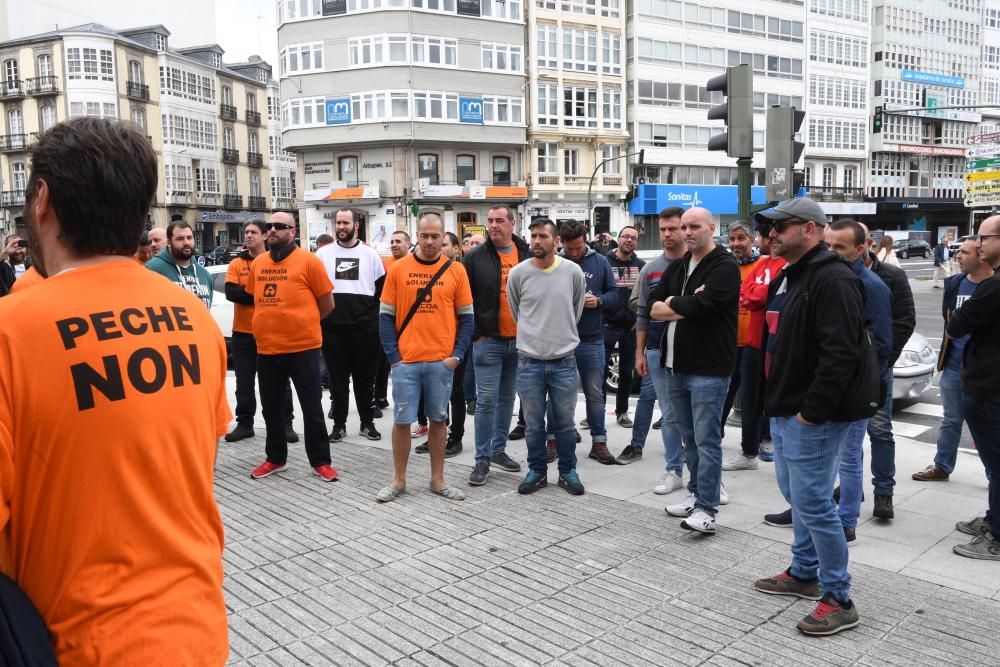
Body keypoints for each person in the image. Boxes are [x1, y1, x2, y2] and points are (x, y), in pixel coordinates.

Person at [0, 117, 230, 663]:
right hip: (195, 628)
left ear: (44, 201)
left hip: (74, 645)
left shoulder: (10, 332)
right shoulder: (192, 319)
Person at [751, 197, 863, 636]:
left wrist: (811, 412)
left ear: (811, 230)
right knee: (797, 495)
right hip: (786, 407)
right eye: (771, 228)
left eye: (782, 226)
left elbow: (841, 353)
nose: (772, 234)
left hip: (810, 414)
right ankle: (803, 572)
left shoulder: (833, 278)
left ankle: (839, 597)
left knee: (815, 504)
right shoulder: (795, 274)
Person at [651, 207, 740, 534]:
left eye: (694, 226)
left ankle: (707, 509)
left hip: (709, 369)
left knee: (706, 440)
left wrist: (674, 304)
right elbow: (653, 307)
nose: (687, 232)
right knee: (689, 438)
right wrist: (683, 303)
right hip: (675, 367)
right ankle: (695, 494)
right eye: (683, 227)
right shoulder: (678, 267)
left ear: (712, 228)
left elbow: (707, 306)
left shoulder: (725, 266)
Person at [376, 213, 473, 503]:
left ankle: (438, 480)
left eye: (436, 237)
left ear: (444, 237)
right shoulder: (398, 269)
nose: (430, 242)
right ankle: (398, 480)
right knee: (403, 421)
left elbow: (467, 319)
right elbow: (384, 318)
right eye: (425, 235)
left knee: (439, 420)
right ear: (417, 235)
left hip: (440, 362)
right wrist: (394, 358)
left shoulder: (456, 271)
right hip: (406, 362)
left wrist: (456, 356)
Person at [246, 212, 339, 482]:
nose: (272, 230)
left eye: (279, 226)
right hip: (267, 348)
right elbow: (257, 299)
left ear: (293, 232)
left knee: (311, 407)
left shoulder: (309, 262)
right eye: (269, 226)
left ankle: (320, 461)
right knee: (271, 408)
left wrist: (304, 322)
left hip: (303, 347)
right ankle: (276, 458)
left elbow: (327, 303)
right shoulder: (259, 263)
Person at [825, 219, 893, 544]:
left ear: (861, 248)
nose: (832, 252)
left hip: (854, 386)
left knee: (850, 453)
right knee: (834, 454)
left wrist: (869, 391)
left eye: (840, 246)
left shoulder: (873, 287)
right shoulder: (833, 279)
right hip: (831, 382)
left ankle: (846, 520)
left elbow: (880, 346)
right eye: (829, 245)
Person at [508, 218, 587, 496]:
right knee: (532, 424)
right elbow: (517, 312)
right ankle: (537, 471)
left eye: (543, 236)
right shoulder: (518, 274)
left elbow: (575, 310)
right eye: (533, 236)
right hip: (529, 361)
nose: (537, 241)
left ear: (556, 242)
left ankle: (568, 471)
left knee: (565, 424)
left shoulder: (573, 272)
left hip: (564, 360)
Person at [913, 237, 993, 482]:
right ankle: (942, 466)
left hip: (984, 371)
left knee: (987, 426)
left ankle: (994, 475)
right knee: (950, 420)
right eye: (958, 251)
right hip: (953, 365)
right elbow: (949, 323)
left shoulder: (993, 286)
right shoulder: (954, 283)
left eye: (965, 252)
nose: (958, 256)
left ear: (981, 255)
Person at [620, 207, 686, 494]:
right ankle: (674, 469)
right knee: (669, 413)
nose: (668, 234)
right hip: (658, 349)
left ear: (687, 229)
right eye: (663, 229)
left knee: (698, 416)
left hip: (696, 350)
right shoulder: (650, 269)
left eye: (673, 228)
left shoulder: (702, 264)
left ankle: (706, 476)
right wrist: (640, 353)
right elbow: (642, 313)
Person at [463, 205, 530, 486]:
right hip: (488, 340)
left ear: (512, 224)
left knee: (507, 400)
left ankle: (498, 450)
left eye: (499, 220)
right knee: (486, 401)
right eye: (489, 221)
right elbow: (464, 299)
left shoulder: (526, 253)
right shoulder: (475, 256)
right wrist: (476, 332)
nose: (493, 225)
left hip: (520, 341)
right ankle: (481, 459)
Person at [946, 216, 1000, 560]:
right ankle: (994, 518)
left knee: (998, 464)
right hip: (988, 386)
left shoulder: (994, 286)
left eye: (982, 238)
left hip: (989, 388)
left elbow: (957, 324)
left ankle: (997, 535)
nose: (978, 245)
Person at [223, 220, 297, 444]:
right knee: (244, 382)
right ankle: (245, 423)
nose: (248, 236)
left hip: (272, 332)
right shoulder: (236, 264)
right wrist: (262, 294)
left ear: (265, 236)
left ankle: (286, 423)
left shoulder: (274, 262)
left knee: (279, 382)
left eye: (253, 232)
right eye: (246, 232)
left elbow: (284, 292)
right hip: (243, 333)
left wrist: (250, 292)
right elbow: (231, 293)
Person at [317, 208, 386, 443]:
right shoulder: (323, 254)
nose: (341, 227)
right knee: (337, 380)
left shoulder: (371, 255)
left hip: (364, 329)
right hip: (333, 328)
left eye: (346, 222)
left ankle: (367, 423)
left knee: (365, 379)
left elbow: (381, 292)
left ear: (356, 225)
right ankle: (339, 424)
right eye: (338, 223)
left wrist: (371, 319)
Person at [862, 222, 915, 520]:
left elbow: (905, 320)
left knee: (879, 429)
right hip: (848, 368)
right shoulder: (840, 275)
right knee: (847, 434)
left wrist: (884, 360)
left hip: (878, 366)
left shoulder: (892, 276)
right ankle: (850, 485)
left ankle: (884, 492)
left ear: (865, 243)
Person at [557, 220, 618, 464]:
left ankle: (599, 442)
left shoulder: (600, 261)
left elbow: (615, 294)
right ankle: (558, 439)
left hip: (592, 339)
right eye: (569, 248)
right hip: (560, 339)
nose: (573, 253)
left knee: (595, 394)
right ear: (561, 243)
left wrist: (600, 301)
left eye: (578, 248)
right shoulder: (555, 262)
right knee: (561, 394)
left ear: (586, 240)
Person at [734, 220, 785, 466]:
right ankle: (748, 451)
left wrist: (756, 295)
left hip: (774, 343)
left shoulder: (785, 265)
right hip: (754, 342)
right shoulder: (763, 263)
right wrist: (758, 294)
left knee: (771, 399)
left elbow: (773, 295)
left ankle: (770, 444)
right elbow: (746, 291)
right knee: (749, 398)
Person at [414, 231, 468, 457]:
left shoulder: (459, 272)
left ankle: (455, 437)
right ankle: (438, 436)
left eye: (444, 244)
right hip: (431, 342)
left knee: (455, 392)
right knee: (434, 393)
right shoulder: (427, 271)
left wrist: (460, 347)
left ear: (456, 249)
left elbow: (466, 313)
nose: (439, 247)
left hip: (455, 342)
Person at [720, 221, 762, 470]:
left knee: (750, 399)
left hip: (753, 341)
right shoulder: (726, 267)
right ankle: (714, 438)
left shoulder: (763, 265)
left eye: (741, 239)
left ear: (752, 239)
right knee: (722, 393)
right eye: (732, 239)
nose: (736, 244)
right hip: (727, 342)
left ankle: (749, 453)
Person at [603, 226, 645, 428]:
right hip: (607, 325)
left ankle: (622, 412)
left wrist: (640, 318)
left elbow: (646, 297)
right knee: (599, 371)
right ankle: (595, 412)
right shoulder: (604, 262)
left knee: (627, 372)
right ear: (617, 239)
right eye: (626, 236)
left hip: (631, 327)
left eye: (634, 238)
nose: (629, 240)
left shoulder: (642, 266)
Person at [375, 230, 412, 416]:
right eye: (391, 241)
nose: (394, 244)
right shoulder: (384, 265)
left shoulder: (413, 264)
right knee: (382, 361)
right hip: (388, 318)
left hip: (408, 322)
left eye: (398, 241)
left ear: (408, 244)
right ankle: (380, 396)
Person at [145, 221, 213, 308]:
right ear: (169, 242)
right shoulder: (151, 269)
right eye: (180, 239)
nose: (186, 242)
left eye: (189, 238)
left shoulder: (204, 274)